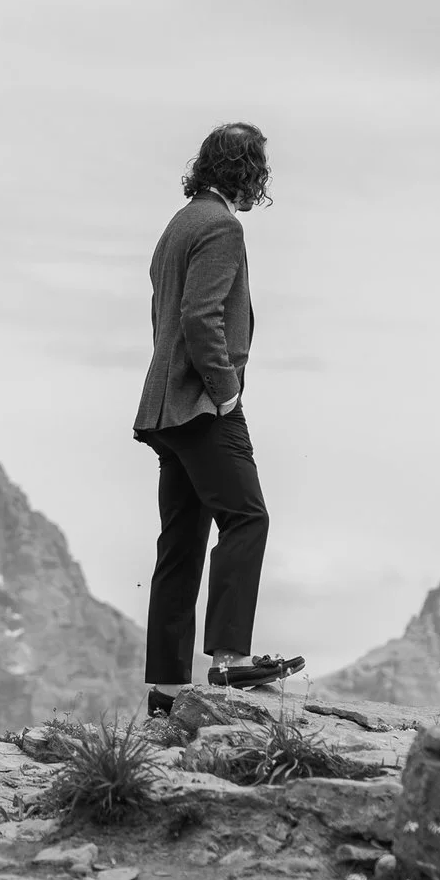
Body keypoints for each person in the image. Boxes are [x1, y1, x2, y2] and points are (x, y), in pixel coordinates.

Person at [132, 122, 303, 716]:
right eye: (260, 169)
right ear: (247, 172)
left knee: (180, 543)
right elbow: (202, 316)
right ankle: (229, 659)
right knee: (246, 518)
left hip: (164, 408)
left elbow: (167, 311)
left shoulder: (178, 224)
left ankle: (167, 690)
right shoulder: (222, 226)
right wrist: (225, 391)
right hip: (203, 404)